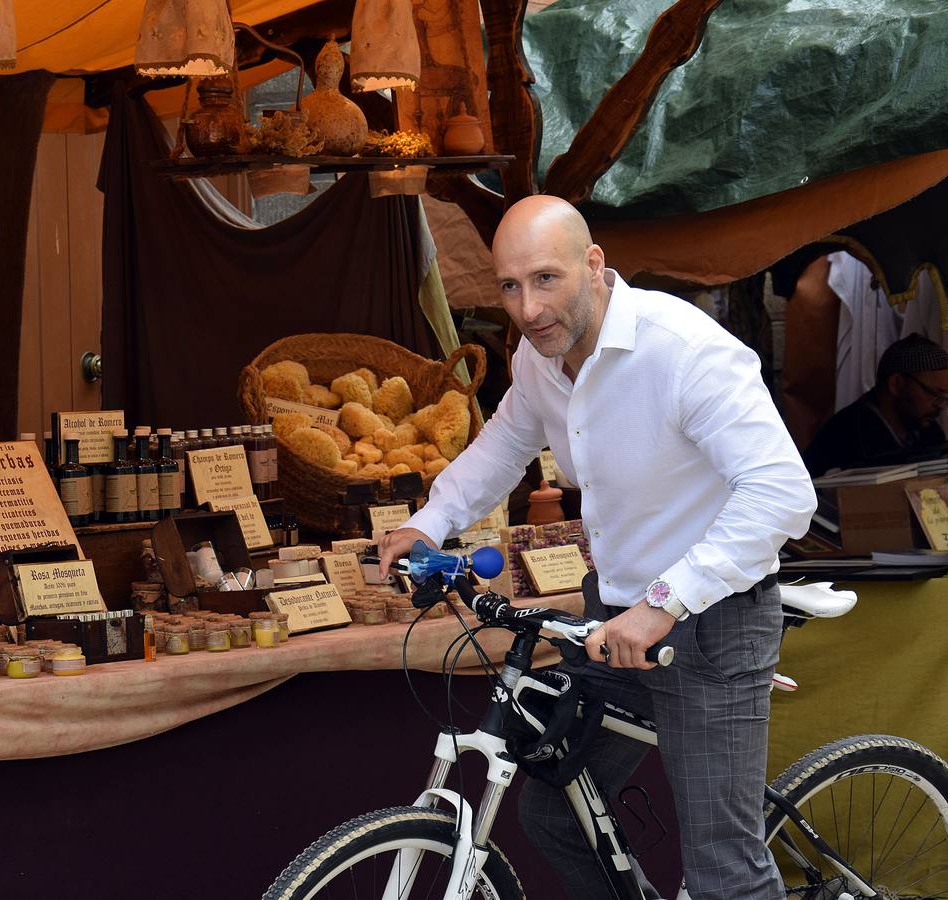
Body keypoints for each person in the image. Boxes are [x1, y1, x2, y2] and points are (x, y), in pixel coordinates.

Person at [378, 196, 816, 900]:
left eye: (546, 280)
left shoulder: (683, 351)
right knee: (556, 813)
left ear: (593, 265)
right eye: (510, 287)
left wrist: (664, 602)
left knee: (722, 868)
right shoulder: (539, 356)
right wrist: (429, 522)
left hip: (711, 623)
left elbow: (783, 495)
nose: (526, 308)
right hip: (610, 621)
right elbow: (504, 444)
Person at [802, 333, 948, 475]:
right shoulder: (845, 437)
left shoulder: (929, 431)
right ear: (896, 384)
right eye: (935, 394)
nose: (941, 405)